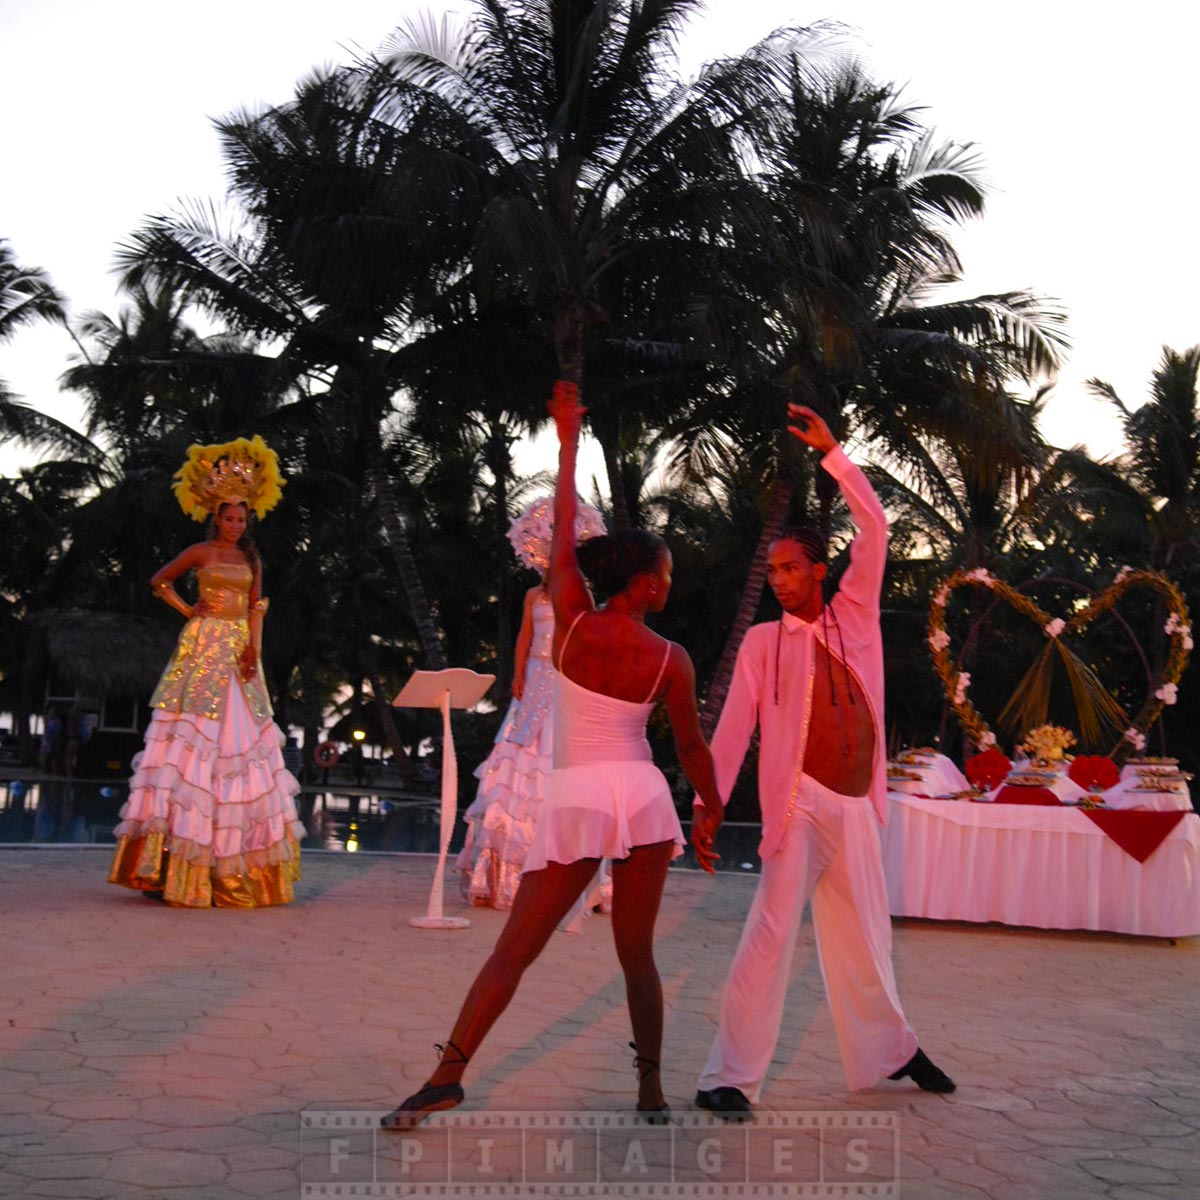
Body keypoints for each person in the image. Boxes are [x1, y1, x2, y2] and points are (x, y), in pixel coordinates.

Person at [383, 381, 724, 1129]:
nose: (671, 582)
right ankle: (651, 1091)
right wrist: (711, 808)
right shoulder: (672, 658)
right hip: (641, 798)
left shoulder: (568, 618)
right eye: (667, 574)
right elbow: (692, 749)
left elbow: (565, 527)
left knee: (514, 951)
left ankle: (446, 1078)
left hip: (579, 796)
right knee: (637, 954)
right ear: (646, 586)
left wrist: (567, 443)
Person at [693, 403, 954, 1119]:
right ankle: (727, 1077)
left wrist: (834, 455)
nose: (778, 580)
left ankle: (893, 1049)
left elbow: (876, 526)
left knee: (867, 938)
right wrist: (708, 802)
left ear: (817, 569)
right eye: (772, 570)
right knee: (771, 931)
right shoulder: (762, 644)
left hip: (858, 804)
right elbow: (733, 730)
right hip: (800, 805)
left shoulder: (855, 613)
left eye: (789, 568)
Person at [107, 436, 305, 908]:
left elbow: (257, 607)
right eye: (230, 518)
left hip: (238, 649)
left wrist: (254, 651)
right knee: (191, 742)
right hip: (201, 648)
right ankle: (173, 864)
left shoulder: (251, 558)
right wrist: (187, 609)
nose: (236, 526)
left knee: (241, 742)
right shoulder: (201, 551)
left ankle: (233, 864)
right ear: (216, 517)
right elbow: (160, 581)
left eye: (242, 519)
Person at [456, 495, 606, 914]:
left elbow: (584, 639)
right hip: (535, 679)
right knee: (517, 759)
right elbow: (524, 637)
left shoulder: (580, 595)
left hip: (564, 681)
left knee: (557, 759)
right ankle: (503, 872)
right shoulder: (532, 596)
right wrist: (519, 673)